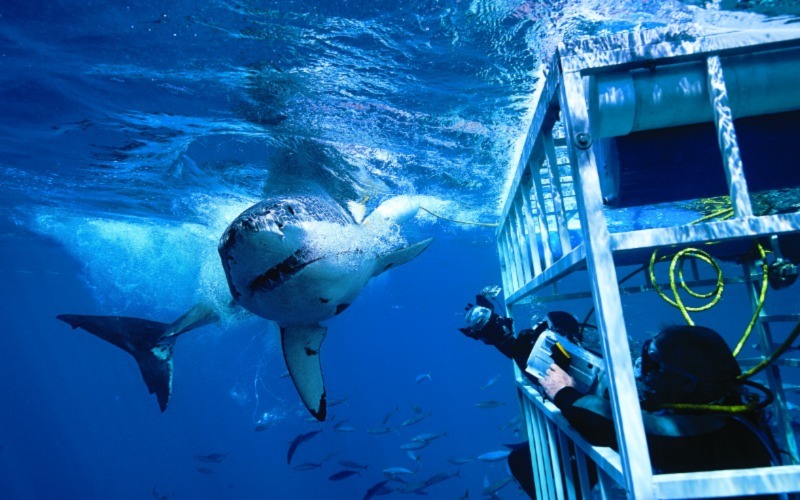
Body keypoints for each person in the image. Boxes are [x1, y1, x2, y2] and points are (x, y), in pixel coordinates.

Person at [458, 299, 779, 499]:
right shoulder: (712, 403)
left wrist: (565, 392)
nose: (643, 369)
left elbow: (622, 426)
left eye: (653, 364)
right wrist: (515, 347)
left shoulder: (721, 431)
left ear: (689, 381)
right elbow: (618, 399)